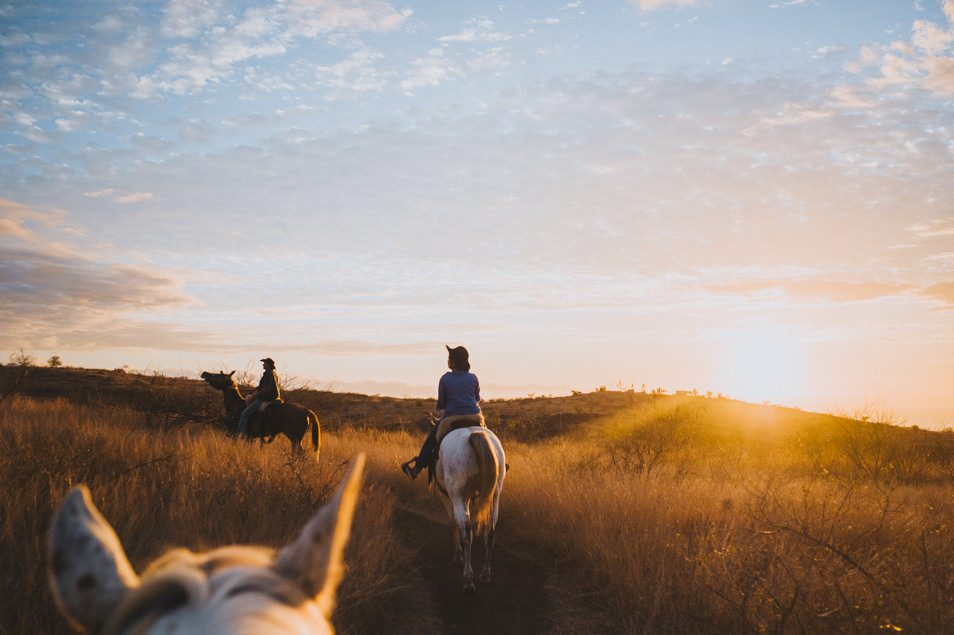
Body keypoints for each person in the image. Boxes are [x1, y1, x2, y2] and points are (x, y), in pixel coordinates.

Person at [401, 345, 482, 480]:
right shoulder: (473, 377)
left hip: (451, 418)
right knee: (487, 435)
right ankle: (501, 464)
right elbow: (477, 399)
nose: (447, 361)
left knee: (431, 440)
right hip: (475, 417)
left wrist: (439, 412)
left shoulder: (445, 379)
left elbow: (441, 405)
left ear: (454, 361)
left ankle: (416, 468)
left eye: (449, 358)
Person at [236, 357, 282, 437]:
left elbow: (266, 388)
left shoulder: (269, 374)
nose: (263, 365)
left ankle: (240, 433)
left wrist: (256, 394)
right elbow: (263, 386)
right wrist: (255, 390)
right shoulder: (272, 373)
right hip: (270, 396)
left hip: (266, 397)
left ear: (268, 365)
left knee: (244, 413)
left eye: (264, 363)